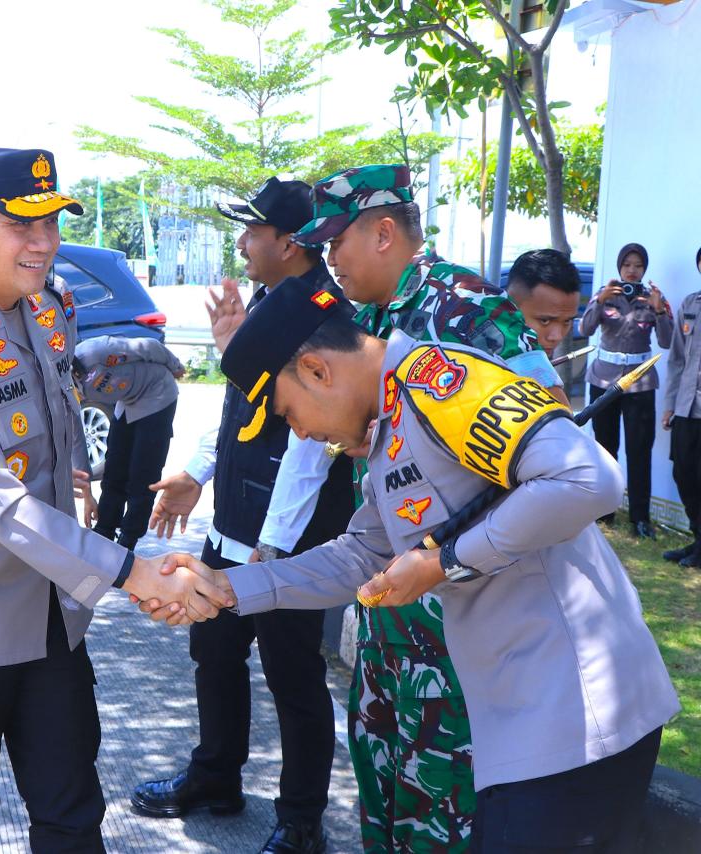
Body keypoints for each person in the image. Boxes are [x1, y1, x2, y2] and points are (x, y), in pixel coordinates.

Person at [161, 275, 680, 853]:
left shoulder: (441, 382)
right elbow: (364, 553)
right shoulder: (386, 424)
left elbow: (588, 478)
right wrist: (231, 587)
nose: (301, 432)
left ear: (316, 370)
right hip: (515, 721)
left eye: (289, 414)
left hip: (576, 718)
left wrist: (446, 564)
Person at [0, 147, 230, 853]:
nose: (42, 242)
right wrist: (131, 571)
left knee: (71, 815)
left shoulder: (40, 309)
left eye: (51, 223)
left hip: (47, 621)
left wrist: (80, 487)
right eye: (20, 224)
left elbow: (61, 432)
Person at [279, 164, 564, 852]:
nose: (329, 262)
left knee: (447, 823)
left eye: (334, 244)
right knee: (385, 815)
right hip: (389, 631)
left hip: (459, 629)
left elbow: (549, 444)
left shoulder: (468, 310)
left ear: (383, 233)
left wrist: (448, 556)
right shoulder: (366, 322)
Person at [132, 177, 352, 854]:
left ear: (290, 243)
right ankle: (215, 777)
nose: (242, 244)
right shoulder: (268, 304)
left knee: (294, 677)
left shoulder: (323, 315)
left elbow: (309, 447)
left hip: (289, 540)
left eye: (253, 232)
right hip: (235, 528)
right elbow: (239, 409)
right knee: (216, 652)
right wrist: (195, 477)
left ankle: (301, 819)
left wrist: (276, 546)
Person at [580, 241, 673, 538]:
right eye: (627, 265)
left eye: (638, 265)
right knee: (605, 448)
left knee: (639, 450)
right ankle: (604, 512)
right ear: (620, 267)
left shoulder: (653, 298)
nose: (632, 271)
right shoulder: (606, 295)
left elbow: (668, 341)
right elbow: (584, 330)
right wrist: (599, 300)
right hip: (604, 383)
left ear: (644, 269)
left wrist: (659, 312)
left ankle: (640, 519)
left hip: (640, 384)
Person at [73, 334, 184, 550]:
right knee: (114, 466)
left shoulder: (96, 352)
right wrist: (87, 495)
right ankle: (105, 528)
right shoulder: (60, 390)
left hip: (156, 394)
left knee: (143, 473)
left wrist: (175, 365)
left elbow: (148, 346)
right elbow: (77, 438)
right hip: (127, 401)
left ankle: (129, 538)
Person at [662, 246, 701, 567]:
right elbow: (676, 359)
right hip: (687, 408)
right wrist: (670, 405)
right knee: (683, 472)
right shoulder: (691, 304)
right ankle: (698, 540)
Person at [504, 249, 583, 359]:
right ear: (510, 308)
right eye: (545, 321)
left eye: (567, 321)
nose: (557, 336)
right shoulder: (477, 367)